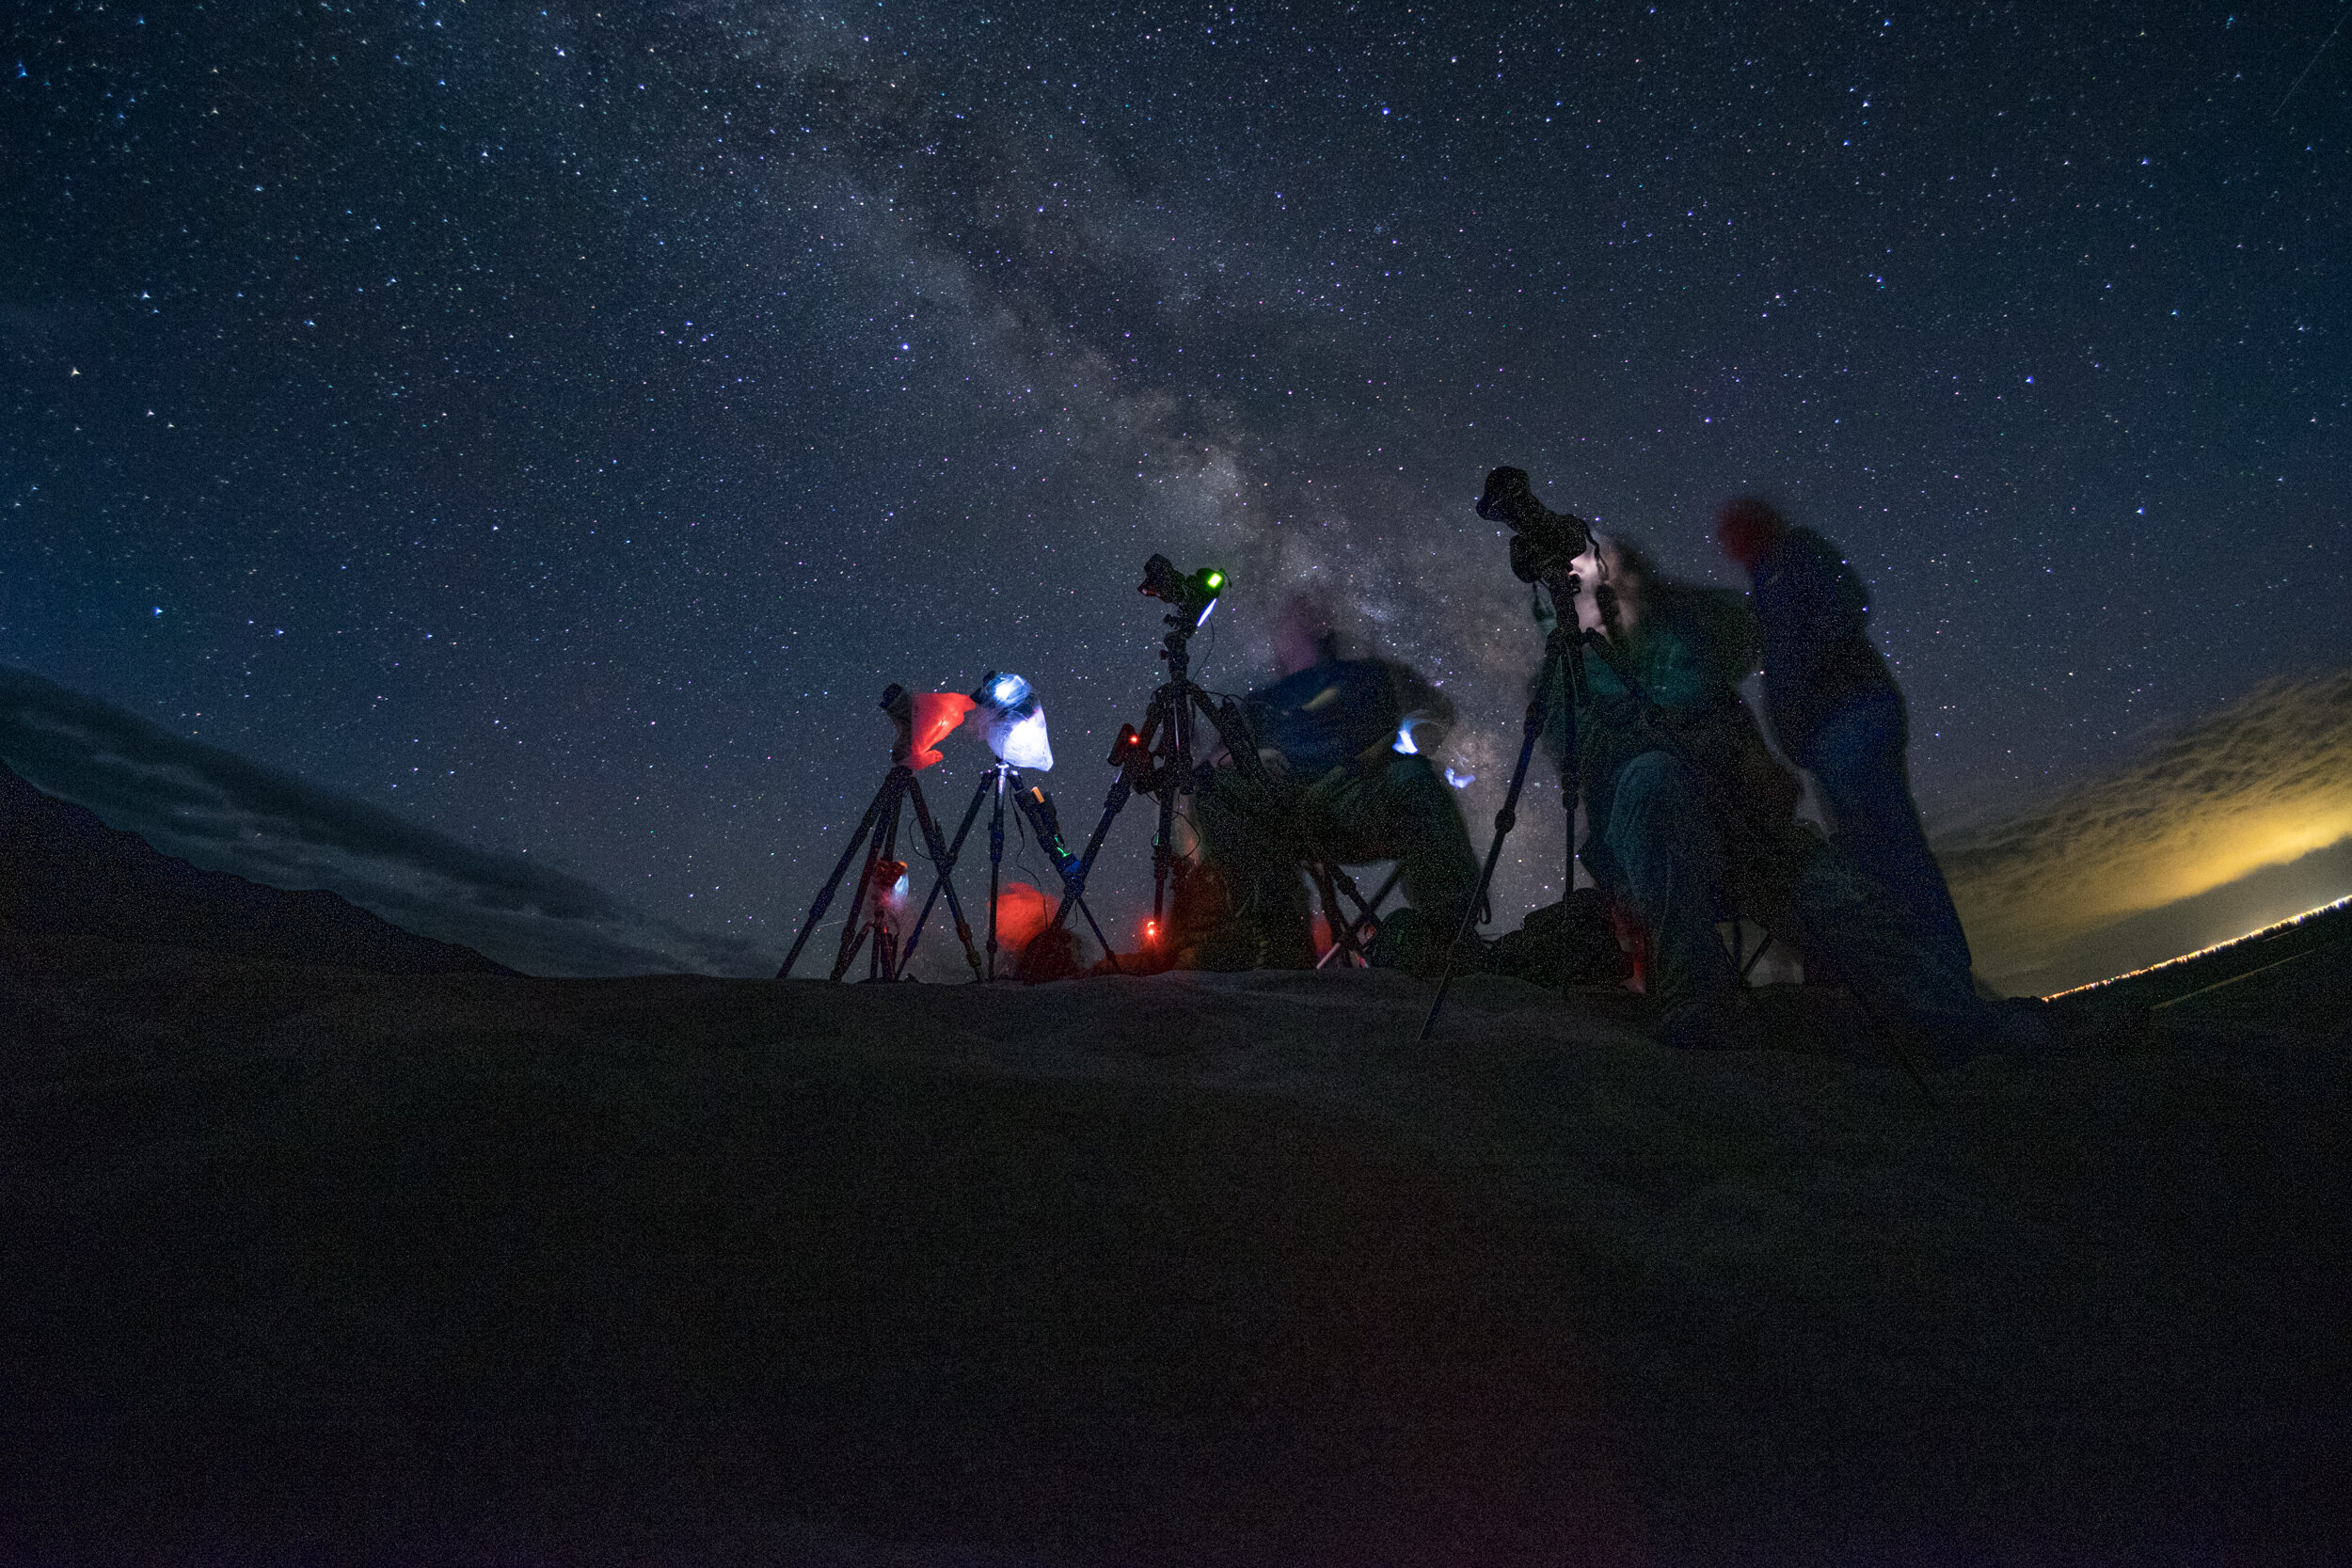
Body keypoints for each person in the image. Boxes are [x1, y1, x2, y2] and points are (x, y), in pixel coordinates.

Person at [1713, 497, 1974, 978]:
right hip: (1829, 730)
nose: (1728, 544)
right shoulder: (1765, 580)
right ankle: (1928, 975)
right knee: (1870, 846)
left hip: (1849, 715)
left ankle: (1944, 976)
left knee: (1887, 844)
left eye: (1734, 531)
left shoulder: (1795, 555)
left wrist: (1811, 682)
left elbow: (1847, 605)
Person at [1178, 594, 1479, 973]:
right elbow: (1214, 756)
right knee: (1212, 788)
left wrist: (1405, 737)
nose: (1291, 627)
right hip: (1284, 812)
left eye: (1302, 617)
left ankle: (1451, 935)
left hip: (1361, 798)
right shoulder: (1259, 703)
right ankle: (1277, 942)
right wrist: (1246, 760)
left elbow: (1434, 712)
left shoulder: (1373, 675)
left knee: (1415, 780)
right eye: (1286, 620)